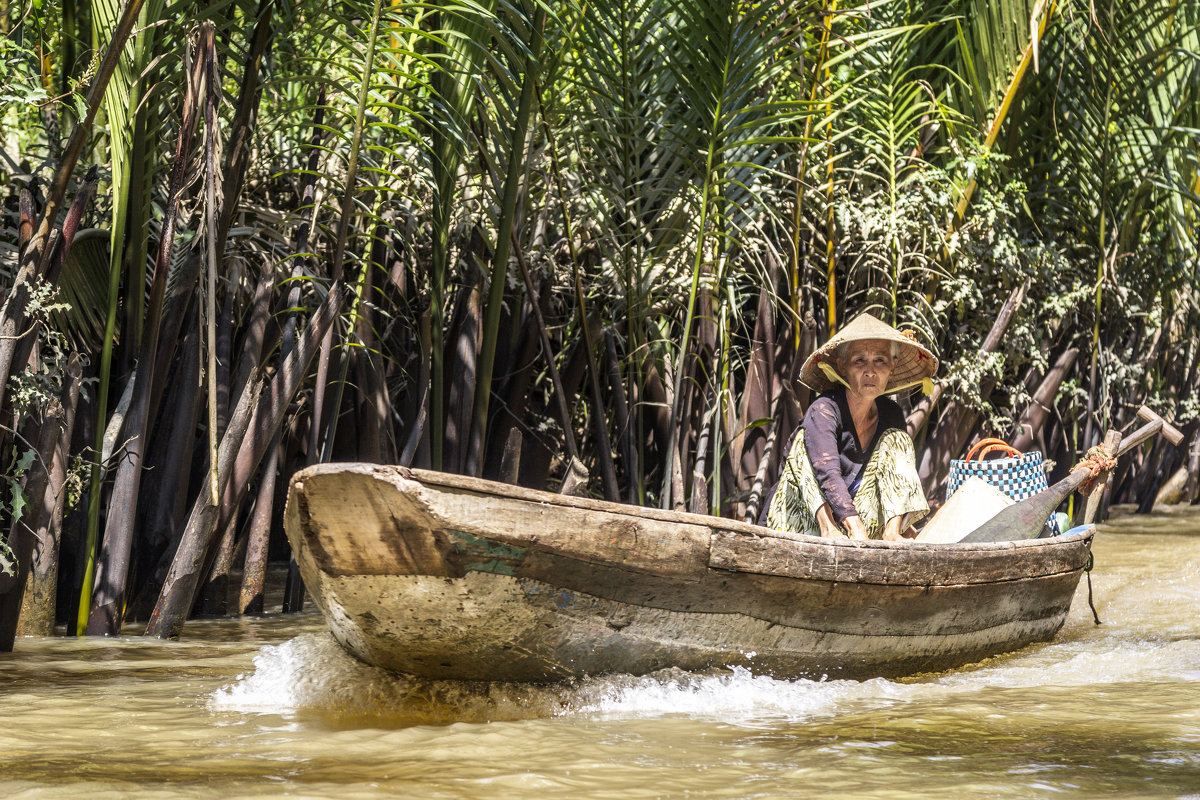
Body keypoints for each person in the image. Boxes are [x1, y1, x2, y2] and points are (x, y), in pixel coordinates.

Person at [764, 312, 937, 540]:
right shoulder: (824, 409)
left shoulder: (892, 415)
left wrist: (901, 521)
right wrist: (854, 527)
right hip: (802, 522)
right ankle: (829, 529)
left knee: (899, 439)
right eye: (859, 361)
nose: (870, 371)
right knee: (801, 444)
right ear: (842, 366)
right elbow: (827, 473)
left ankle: (891, 533)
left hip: (859, 531)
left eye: (880, 360)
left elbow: (895, 479)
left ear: (892, 367)